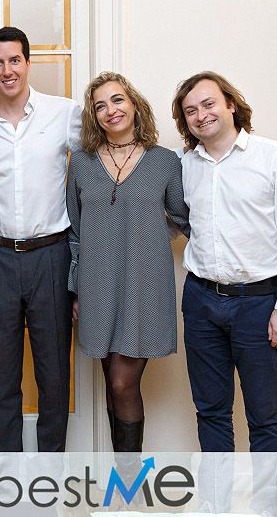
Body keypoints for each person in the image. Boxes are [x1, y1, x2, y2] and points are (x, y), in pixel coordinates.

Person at [172, 71, 277, 451]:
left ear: (231, 105)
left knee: (265, 416)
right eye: (190, 111)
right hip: (201, 301)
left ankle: (267, 494)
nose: (201, 115)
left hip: (259, 303)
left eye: (208, 104)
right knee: (210, 411)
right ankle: (218, 492)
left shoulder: (275, 157)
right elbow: (174, 222)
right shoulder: (183, 165)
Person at [0, 26, 81, 452]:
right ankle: (9, 469)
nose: (7, 70)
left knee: (54, 371)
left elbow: (97, 167)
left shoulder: (64, 113)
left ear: (28, 63)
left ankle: (50, 469)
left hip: (51, 254)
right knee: (0, 371)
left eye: (14, 60)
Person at [66, 72, 189, 452]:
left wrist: (146, 235)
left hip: (144, 285)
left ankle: (130, 482)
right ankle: (121, 478)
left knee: (122, 384)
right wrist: (75, 289)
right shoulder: (81, 163)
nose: (110, 110)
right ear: (94, 116)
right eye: (100, 106)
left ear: (134, 104)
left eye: (117, 100)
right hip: (96, 286)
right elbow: (75, 231)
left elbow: (184, 218)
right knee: (112, 383)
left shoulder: (165, 162)